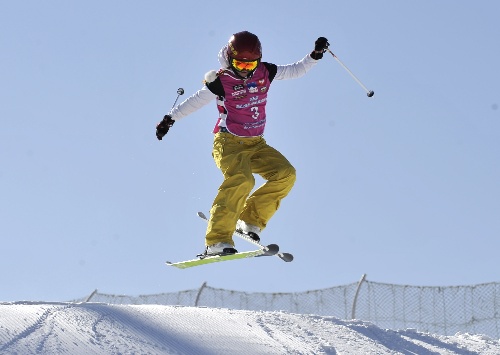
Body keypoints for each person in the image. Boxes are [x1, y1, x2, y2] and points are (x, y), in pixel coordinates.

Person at [156, 31, 329, 255]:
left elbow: (296, 70)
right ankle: (216, 241)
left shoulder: (266, 71)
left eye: (250, 65)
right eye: (240, 64)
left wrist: (315, 55)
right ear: (230, 59)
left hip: (256, 144)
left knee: (286, 174)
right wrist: (170, 119)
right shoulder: (222, 80)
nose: (245, 70)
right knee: (242, 180)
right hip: (228, 142)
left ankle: (249, 221)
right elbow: (196, 101)